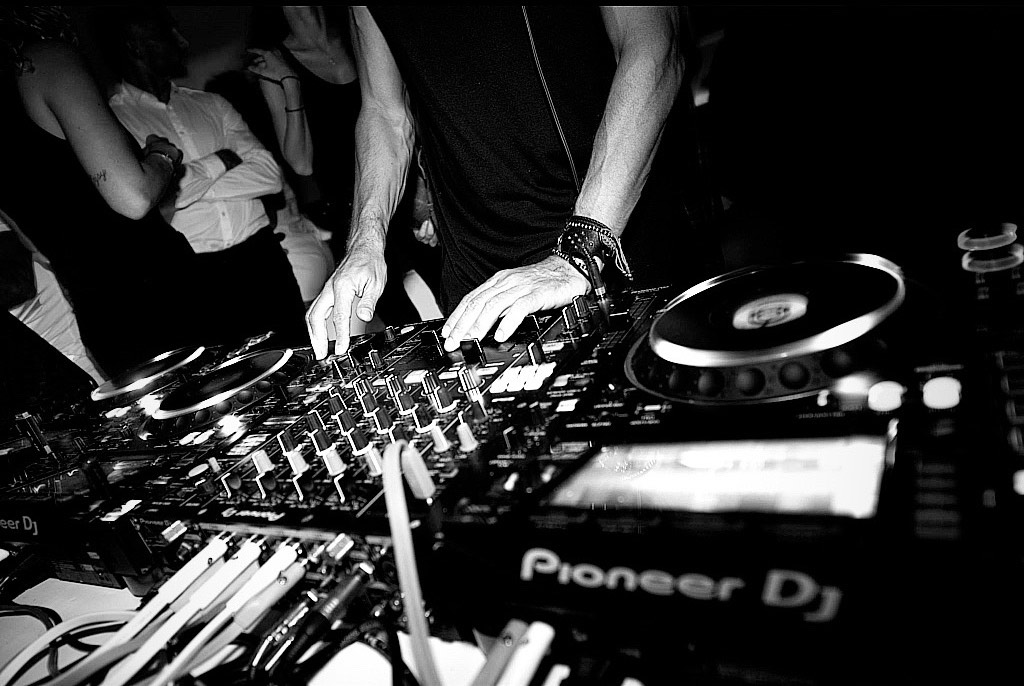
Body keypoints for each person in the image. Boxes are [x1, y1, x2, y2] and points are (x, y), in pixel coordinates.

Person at [306, 6, 721, 358]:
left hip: (610, 231)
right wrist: (365, 239)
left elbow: (653, 46)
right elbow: (384, 112)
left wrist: (582, 251)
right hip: (477, 275)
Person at [0, 6, 218, 378]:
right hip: (161, 297)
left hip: (101, 319)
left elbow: (36, 246)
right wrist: (162, 155)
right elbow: (134, 198)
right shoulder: (44, 60)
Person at [96, 5, 309, 347]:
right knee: (231, 377)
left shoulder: (211, 104)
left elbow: (270, 175)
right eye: (167, 33)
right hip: (196, 277)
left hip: (263, 259)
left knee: (301, 356)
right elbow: (147, 201)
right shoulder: (113, 123)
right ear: (135, 45)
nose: (182, 41)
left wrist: (173, 183)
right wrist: (220, 161)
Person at [247, 5, 437, 329]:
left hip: (402, 189)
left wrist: (427, 192)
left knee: (455, 287)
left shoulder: (358, 30)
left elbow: (404, 116)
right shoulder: (274, 61)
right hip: (351, 211)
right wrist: (291, 83)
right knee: (398, 321)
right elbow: (301, 163)